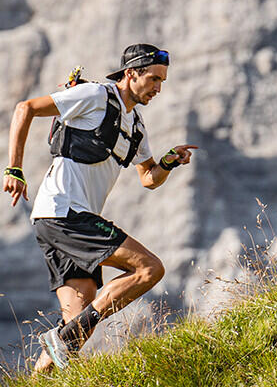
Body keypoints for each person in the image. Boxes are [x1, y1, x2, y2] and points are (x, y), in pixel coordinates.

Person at [2, 44, 198, 372]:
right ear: (130, 73)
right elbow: (26, 108)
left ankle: (44, 369)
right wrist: (14, 169)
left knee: (76, 327)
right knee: (150, 268)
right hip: (64, 211)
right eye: (153, 79)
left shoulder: (136, 125)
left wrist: (168, 161)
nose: (158, 88)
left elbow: (148, 177)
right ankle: (64, 338)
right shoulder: (96, 95)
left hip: (62, 218)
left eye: (162, 82)